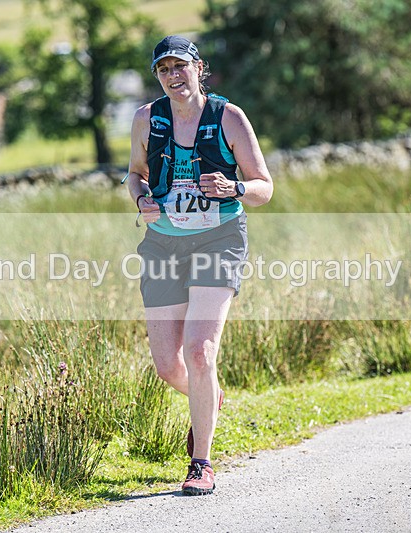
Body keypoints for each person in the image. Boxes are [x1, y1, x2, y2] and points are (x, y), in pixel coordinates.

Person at [125, 35, 273, 495]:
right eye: (164, 69)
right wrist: (141, 199)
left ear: (199, 68)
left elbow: (264, 186)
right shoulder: (147, 120)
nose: (173, 76)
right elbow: (135, 174)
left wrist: (233, 189)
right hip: (164, 246)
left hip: (219, 239)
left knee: (200, 352)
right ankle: (211, 398)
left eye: (180, 67)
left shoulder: (229, 117)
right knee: (169, 367)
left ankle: (202, 463)